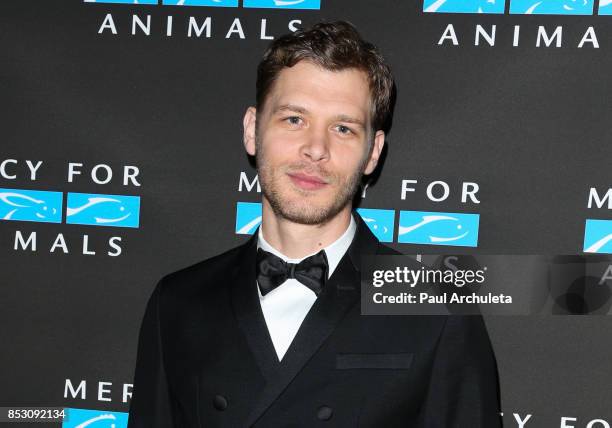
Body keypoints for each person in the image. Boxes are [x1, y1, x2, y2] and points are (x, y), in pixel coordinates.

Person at [128, 21, 501, 427]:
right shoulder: (179, 301)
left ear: (372, 153)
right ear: (252, 130)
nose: (316, 149)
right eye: (294, 120)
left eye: (342, 128)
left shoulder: (437, 310)